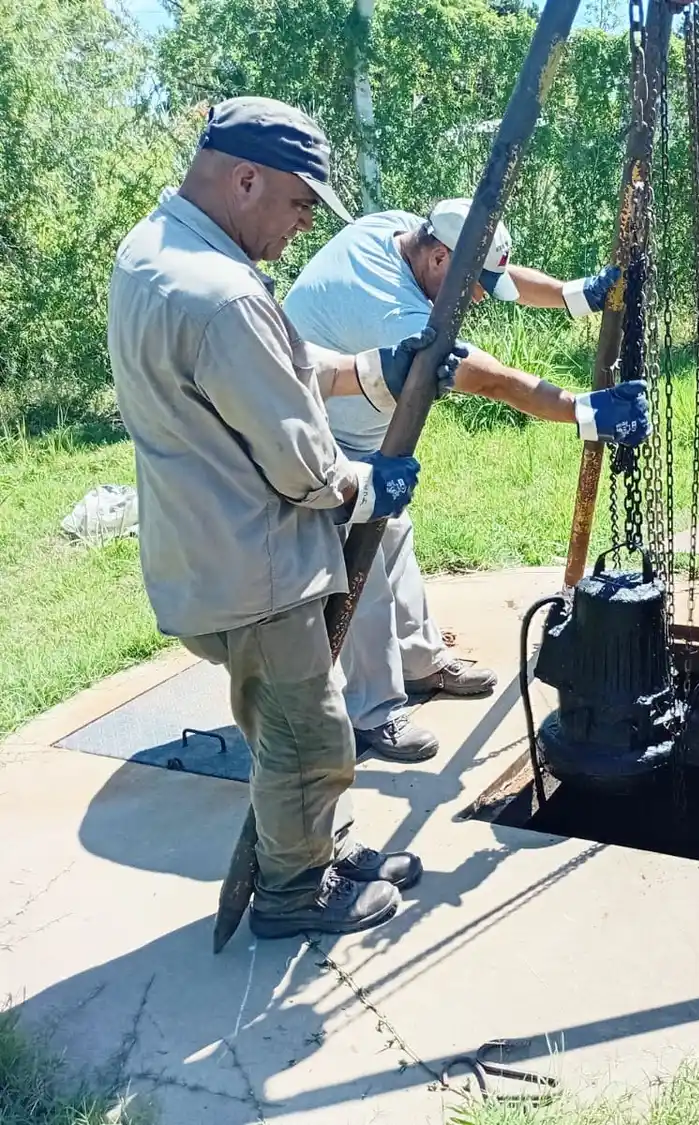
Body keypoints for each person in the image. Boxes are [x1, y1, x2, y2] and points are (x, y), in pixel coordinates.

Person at [108, 97, 466, 938]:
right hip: (257, 568)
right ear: (245, 180)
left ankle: (316, 846)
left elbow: (273, 358)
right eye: (300, 203)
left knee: (292, 725)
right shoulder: (224, 293)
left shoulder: (158, 255)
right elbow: (301, 461)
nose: (304, 224)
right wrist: (367, 485)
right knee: (307, 736)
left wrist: (371, 370)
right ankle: (297, 890)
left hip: (205, 549)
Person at [282, 199, 648, 763]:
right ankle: (372, 712)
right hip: (312, 437)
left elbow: (500, 277)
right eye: (472, 286)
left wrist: (576, 294)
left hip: (361, 429)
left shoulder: (398, 231)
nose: (478, 298)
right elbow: (493, 382)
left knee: (392, 539)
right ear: (439, 259)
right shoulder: (398, 315)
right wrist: (585, 411)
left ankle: (420, 663)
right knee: (362, 568)